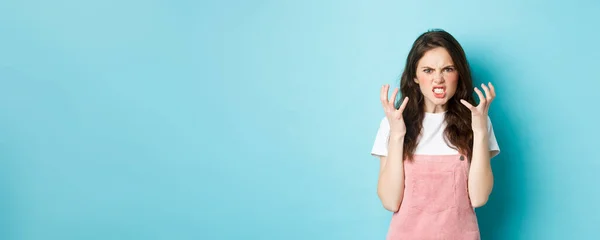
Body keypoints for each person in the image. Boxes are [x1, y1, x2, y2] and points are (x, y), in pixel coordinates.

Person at [370, 29, 501, 239]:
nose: (438, 79)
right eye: (428, 70)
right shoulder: (393, 124)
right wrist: (397, 135)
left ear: (459, 74)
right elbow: (389, 200)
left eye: (448, 69)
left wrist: (480, 130)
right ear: (415, 76)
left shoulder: (477, 122)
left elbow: (479, 198)